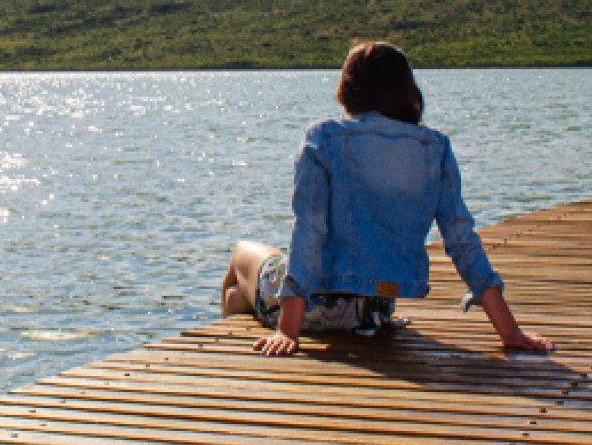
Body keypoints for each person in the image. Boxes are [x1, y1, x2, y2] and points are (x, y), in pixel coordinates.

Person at [222, 41, 553, 357]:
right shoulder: (434, 148)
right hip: (375, 312)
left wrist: (288, 331)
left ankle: (238, 342)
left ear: (348, 90)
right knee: (241, 295)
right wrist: (510, 333)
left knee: (240, 259)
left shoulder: (324, 138)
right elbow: (461, 241)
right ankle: (245, 308)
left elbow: (310, 232)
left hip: (315, 307)